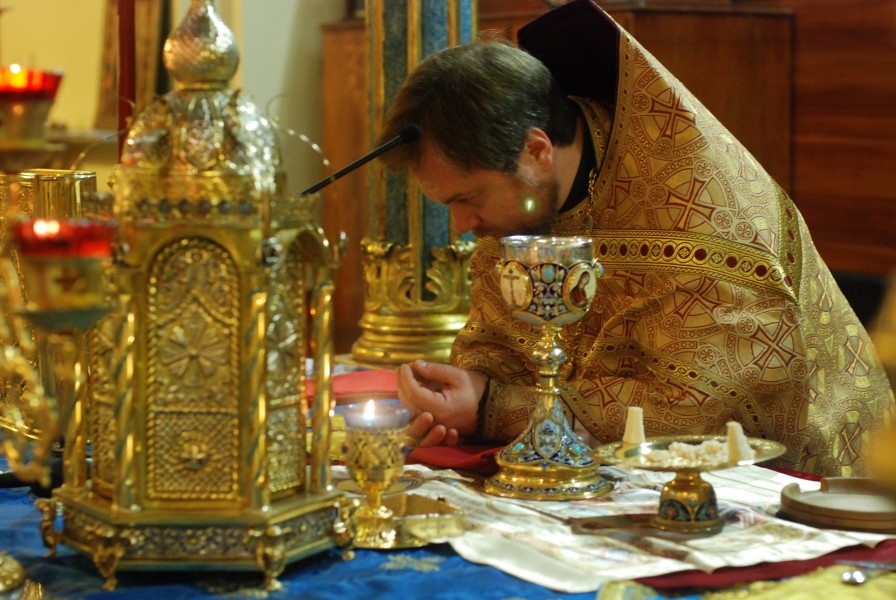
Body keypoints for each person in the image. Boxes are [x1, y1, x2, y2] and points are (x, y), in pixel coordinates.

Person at [380, 0, 894, 476]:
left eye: (468, 198)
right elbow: (500, 345)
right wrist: (460, 393)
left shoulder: (694, 205)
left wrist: (493, 406)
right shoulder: (521, 205)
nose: (462, 225)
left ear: (536, 151)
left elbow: (707, 411)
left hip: (820, 490)